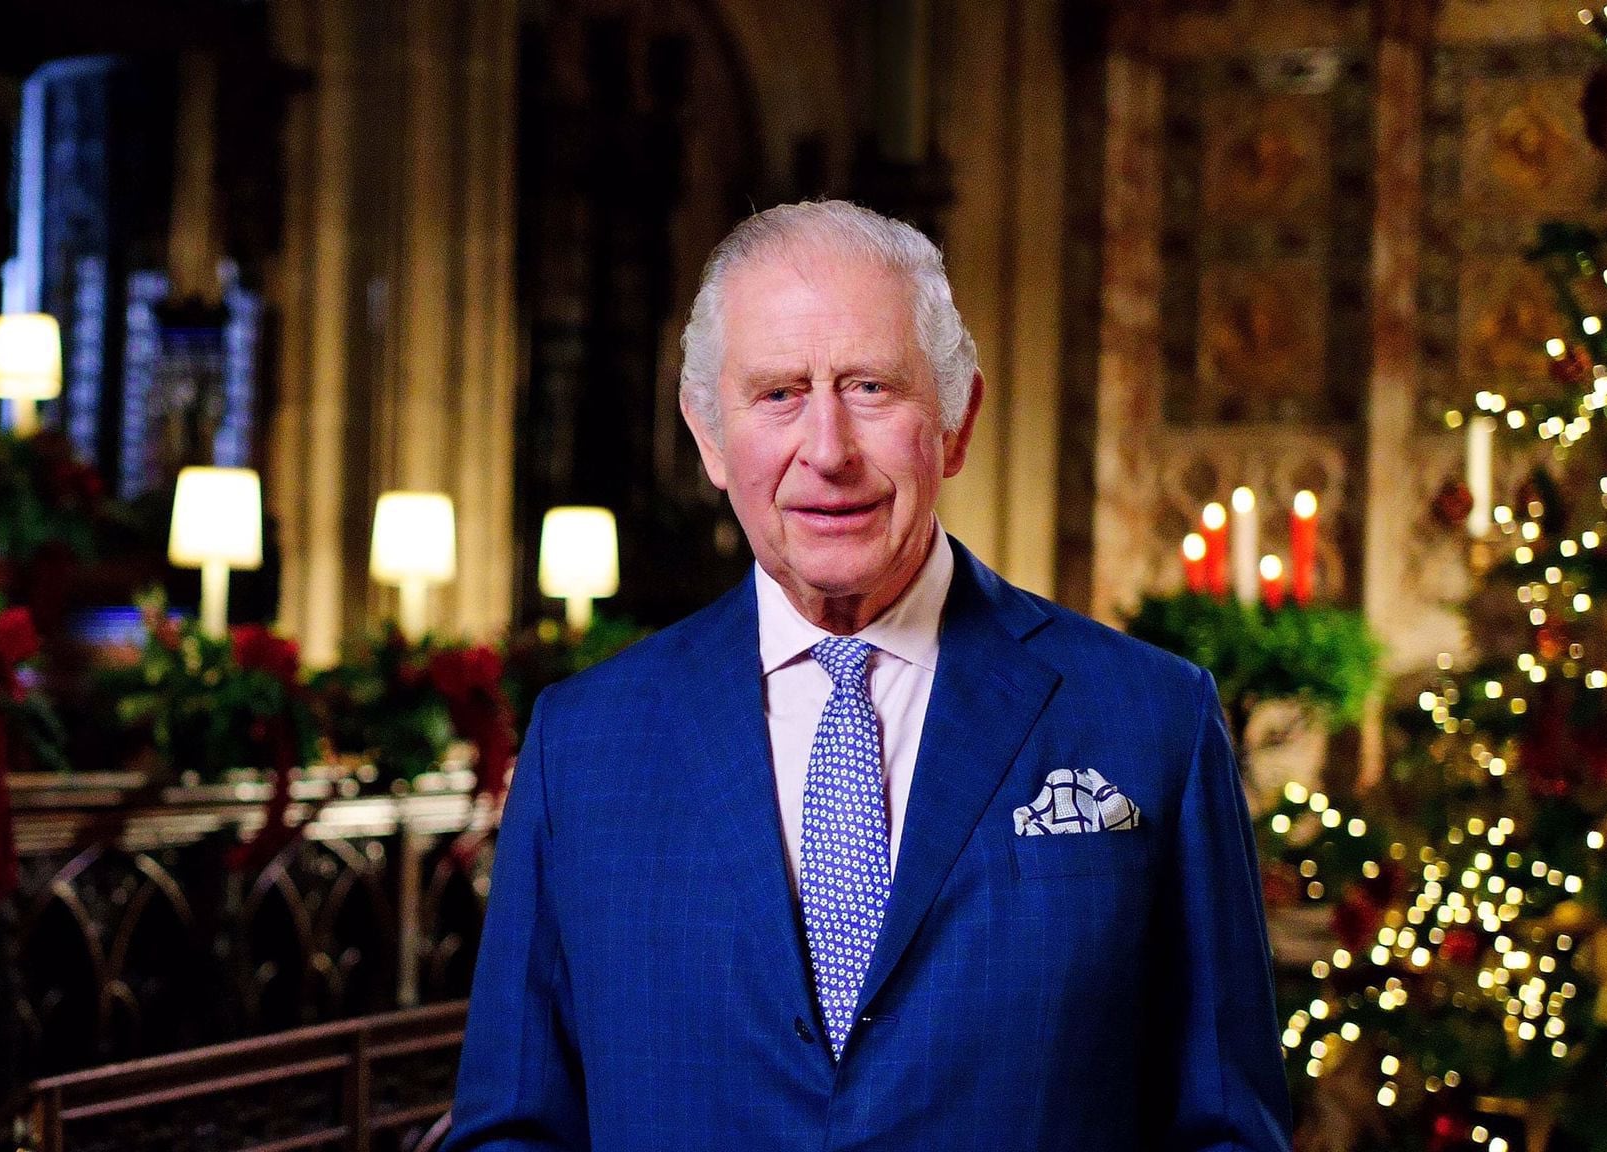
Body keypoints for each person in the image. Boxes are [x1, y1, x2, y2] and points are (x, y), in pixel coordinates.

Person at [443, 200, 1292, 1151]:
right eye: (777, 394)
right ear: (709, 436)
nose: (829, 451)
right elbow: (511, 1129)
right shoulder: (584, 742)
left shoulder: (1151, 722)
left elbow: (1228, 1130)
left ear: (957, 420)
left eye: (872, 388)